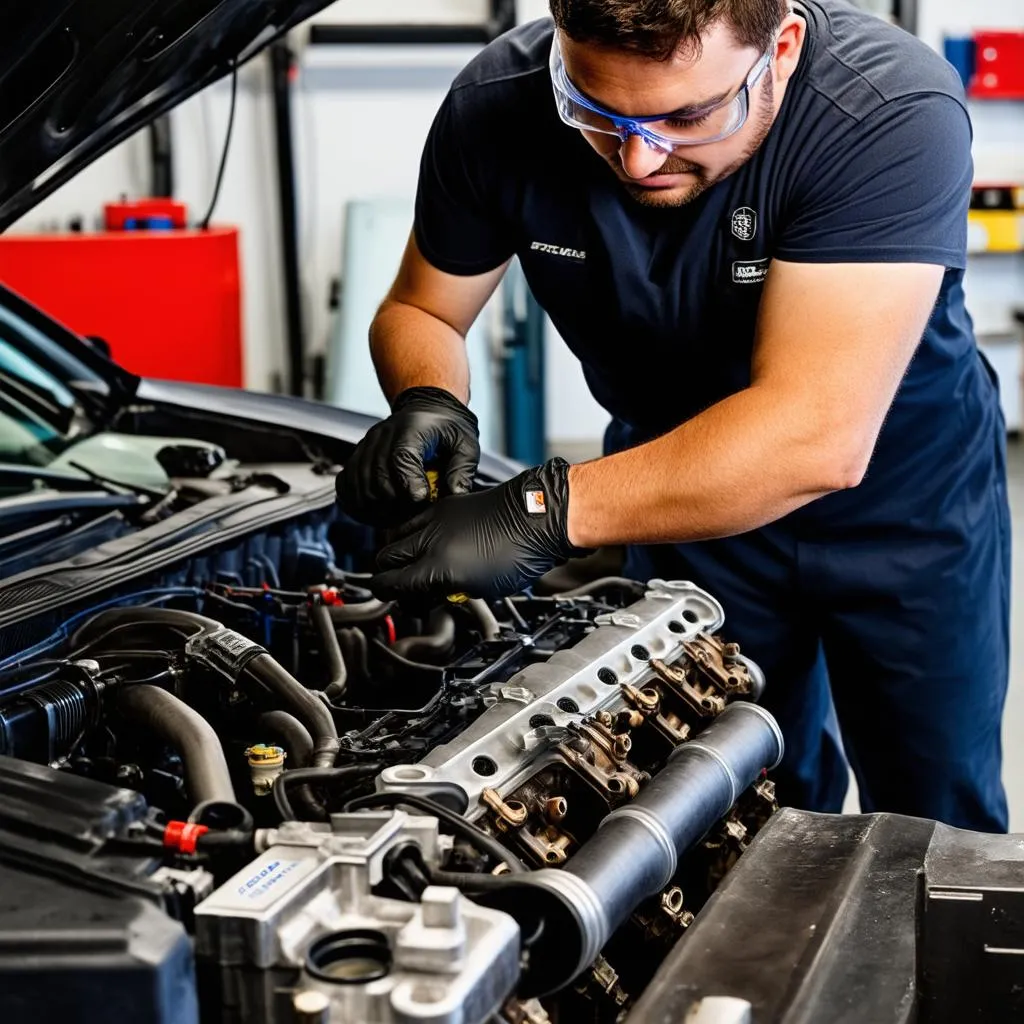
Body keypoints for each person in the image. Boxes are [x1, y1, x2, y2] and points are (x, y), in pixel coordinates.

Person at [337, 0, 1010, 831]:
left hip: (907, 511)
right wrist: (428, 398)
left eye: (689, 115)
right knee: (734, 798)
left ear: (783, 48)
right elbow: (423, 310)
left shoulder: (883, 111)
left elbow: (817, 437)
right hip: (682, 504)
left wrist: (541, 513)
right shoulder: (501, 107)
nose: (638, 156)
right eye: (596, 111)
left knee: (933, 809)